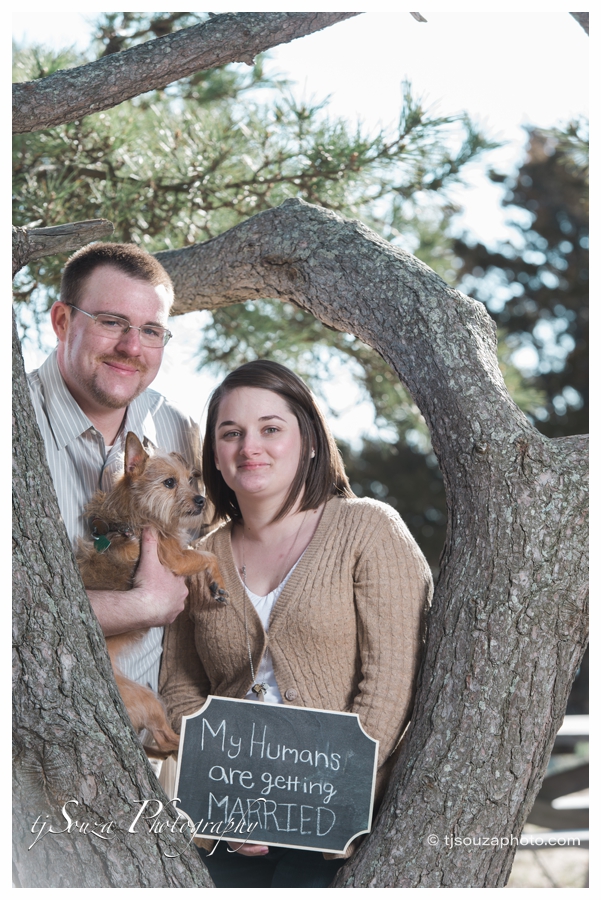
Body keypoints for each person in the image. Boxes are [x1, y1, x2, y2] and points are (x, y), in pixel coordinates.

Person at [160, 360, 433, 888]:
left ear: (308, 439)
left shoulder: (368, 529)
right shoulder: (199, 557)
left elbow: (391, 685)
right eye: (230, 433)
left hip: (347, 832)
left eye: (270, 429)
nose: (249, 447)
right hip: (228, 829)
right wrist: (235, 799)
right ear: (215, 455)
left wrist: (296, 798)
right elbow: (180, 686)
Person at [27, 242, 199, 695]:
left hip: (148, 750)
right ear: (62, 322)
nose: (131, 347)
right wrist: (142, 606)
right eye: (111, 322)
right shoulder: (13, 420)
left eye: (151, 330)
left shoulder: (179, 430)